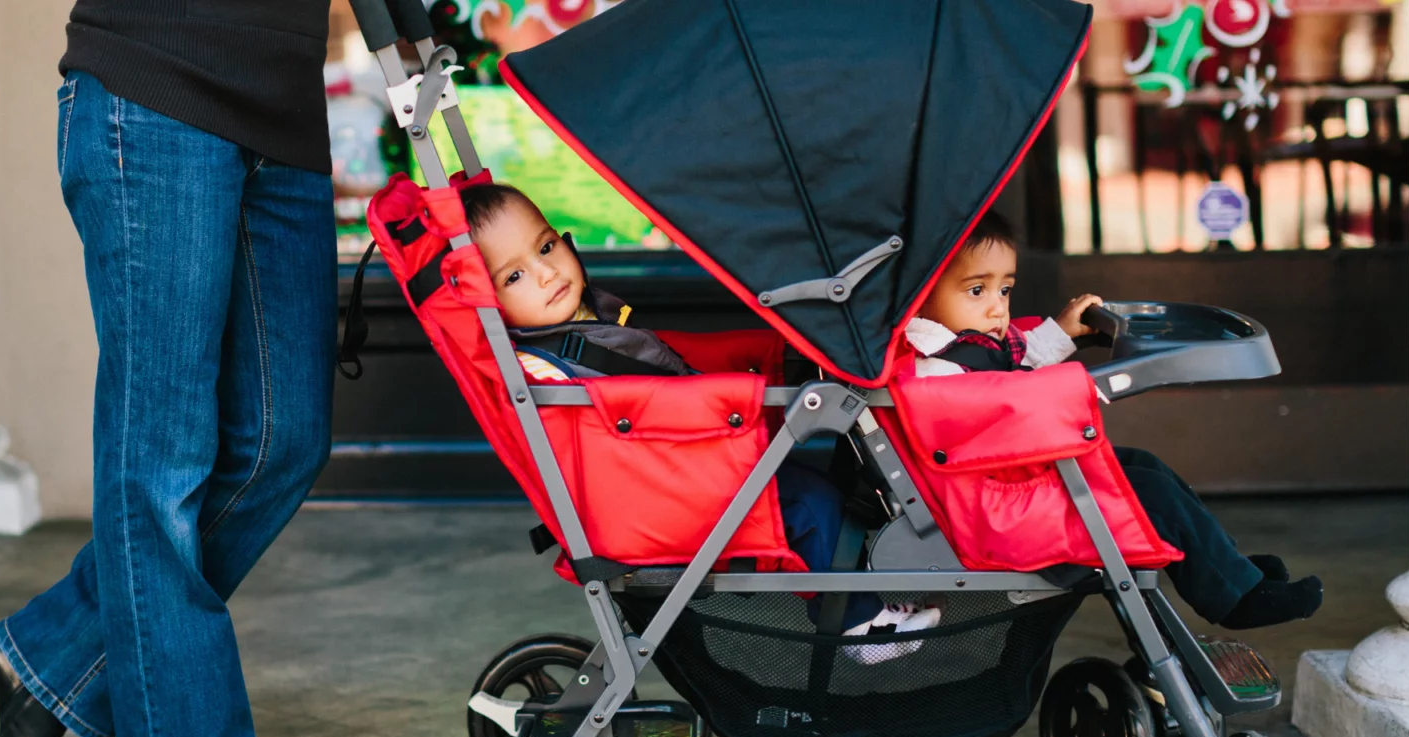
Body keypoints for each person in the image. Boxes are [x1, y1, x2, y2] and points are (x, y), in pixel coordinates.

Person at [0, 2, 342, 737]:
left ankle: (43, 658)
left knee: (285, 439)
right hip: (153, 86)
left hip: (283, 100)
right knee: (160, 462)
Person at [462, 182, 941, 660]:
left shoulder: (587, 318)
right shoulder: (539, 367)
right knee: (811, 506)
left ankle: (861, 599)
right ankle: (860, 627)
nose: (546, 272)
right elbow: (605, 419)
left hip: (682, 473)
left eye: (546, 247)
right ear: (489, 305)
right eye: (515, 276)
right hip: (662, 496)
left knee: (819, 493)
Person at [904, 210, 1323, 630]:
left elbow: (1014, 364)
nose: (998, 308)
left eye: (1006, 289)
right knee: (1150, 495)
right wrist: (1076, 388)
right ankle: (1237, 601)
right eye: (977, 290)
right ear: (921, 295)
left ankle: (1227, 568)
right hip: (997, 516)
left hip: (1011, 488)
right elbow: (1001, 399)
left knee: (1141, 465)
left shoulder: (963, 345)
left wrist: (1062, 333)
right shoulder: (933, 370)